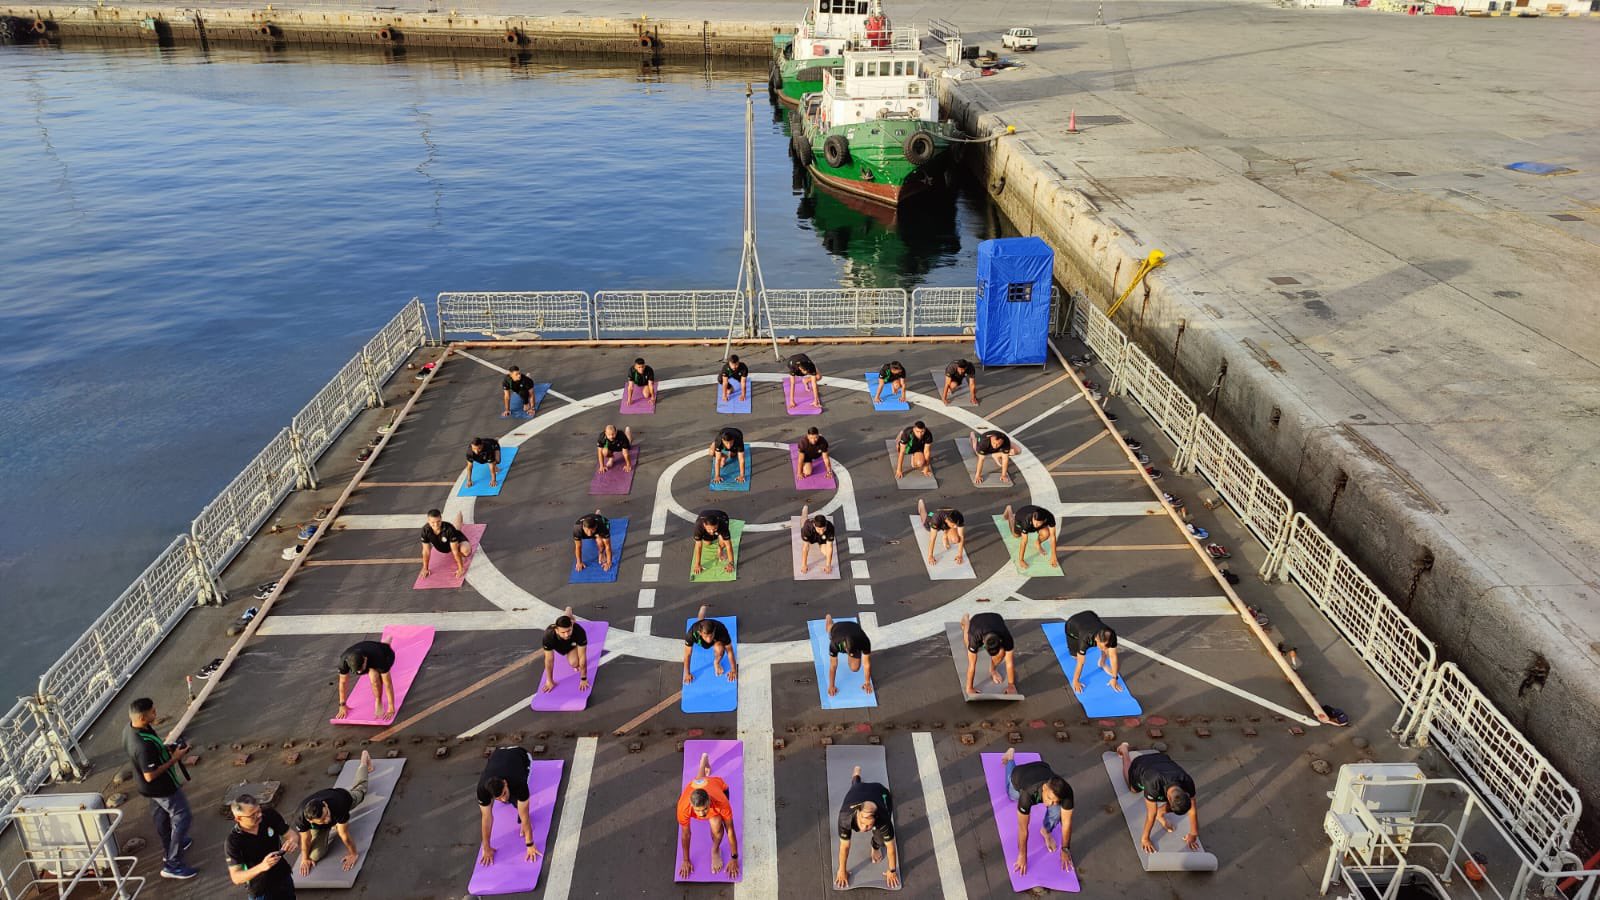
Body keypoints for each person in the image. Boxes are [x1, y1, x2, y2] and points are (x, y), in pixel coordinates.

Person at [124, 697, 197, 880]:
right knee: (182, 817)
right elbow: (150, 773)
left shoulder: (130, 729)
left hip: (149, 790)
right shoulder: (142, 745)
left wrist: (166, 749)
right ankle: (173, 863)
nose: (155, 714)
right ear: (142, 717)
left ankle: (170, 846)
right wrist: (175, 758)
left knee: (162, 819)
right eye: (152, 712)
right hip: (162, 788)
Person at [293, 751, 373, 875]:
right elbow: (305, 839)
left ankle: (364, 760)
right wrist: (305, 859)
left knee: (361, 791)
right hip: (318, 825)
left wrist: (353, 854)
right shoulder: (300, 817)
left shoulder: (339, 805)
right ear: (310, 821)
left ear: (324, 804)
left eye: (327, 814)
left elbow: (344, 835)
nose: (328, 819)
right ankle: (324, 829)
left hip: (343, 797)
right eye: (323, 819)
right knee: (314, 856)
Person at [1001, 747, 1074, 876]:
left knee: (1057, 811)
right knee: (1012, 796)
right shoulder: (1028, 794)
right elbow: (1023, 828)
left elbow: (1067, 824)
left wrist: (1065, 849)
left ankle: (1045, 831)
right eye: (1050, 799)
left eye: (1055, 800)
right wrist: (1022, 855)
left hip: (1042, 768)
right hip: (1020, 776)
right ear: (1044, 788)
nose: (1051, 803)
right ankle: (1010, 758)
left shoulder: (1066, 792)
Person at [1117, 742, 1201, 852]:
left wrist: (1193, 834)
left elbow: (1192, 810)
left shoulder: (1187, 781)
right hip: (1141, 764)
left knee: (1177, 805)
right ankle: (1124, 751)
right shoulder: (1154, 784)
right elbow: (1151, 814)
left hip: (1160, 758)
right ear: (1169, 800)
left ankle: (1161, 814)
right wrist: (1145, 839)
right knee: (1133, 789)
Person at [677, 751, 742, 880]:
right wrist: (685, 860)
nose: (702, 814)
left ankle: (715, 849)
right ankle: (704, 760)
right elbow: (686, 834)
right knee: (699, 781)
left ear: (709, 801)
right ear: (691, 805)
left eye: (705, 809)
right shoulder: (683, 807)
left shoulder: (720, 803)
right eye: (698, 811)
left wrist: (734, 858)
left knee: (716, 824)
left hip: (719, 786)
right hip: (698, 785)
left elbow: (730, 830)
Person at [476, 747, 544, 866]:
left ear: (505, 783)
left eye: (504, 793)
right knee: (507, 801)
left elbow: (525, 815)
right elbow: (486, 818)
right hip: (499, 753)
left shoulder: (518, 782)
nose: (503, 799)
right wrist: (486, 847)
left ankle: (511, 793)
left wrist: (530, 844)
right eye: (498, 798)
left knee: (518, 804)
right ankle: (503, 795)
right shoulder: (482, 789)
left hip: (521, 755)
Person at [834, 765, 899, 889]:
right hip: (858, 790)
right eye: (862, 823)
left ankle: (874, 848)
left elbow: (891, 847)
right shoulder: (845, 817)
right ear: (858, 813)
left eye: (868, 825)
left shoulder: (883, 818)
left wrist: (892, 870)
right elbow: (845, 846)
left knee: (880, 839)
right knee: (856, 785)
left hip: (879, 791)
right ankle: (856, 773)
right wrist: (842, 870)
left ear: (875, 819)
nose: (864, 828)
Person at [226, 794, 296, 899]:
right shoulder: (234, 841)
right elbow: (236, 877)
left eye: (259, 810)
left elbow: (291, 835)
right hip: (261, 890)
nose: (259, 815)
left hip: (283, 876)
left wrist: (292, 841)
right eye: (252, 815)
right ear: (238, 818)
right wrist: (262, 867)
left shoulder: (269, 815)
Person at [335, 639, 397, 721]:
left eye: (361, 669)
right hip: (367, 647)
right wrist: (342, 705)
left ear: (365, 660)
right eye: (357, 671)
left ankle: (378, 701)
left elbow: (388, 684)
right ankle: (384, 643)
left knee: (374, 677)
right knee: (373, 672)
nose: (360, 672)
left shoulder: (378, 657)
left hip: (386, 654)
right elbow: (343, 682)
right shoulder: (344, 660)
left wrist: (391, 707)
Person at [1065, 611, 1122, 695]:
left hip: (1090, 615)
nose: (1104, 649)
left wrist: (1114, 678)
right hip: (1072, 625)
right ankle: (1077, 655)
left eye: (1105, 645)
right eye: (1101, 646)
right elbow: (1080, 662)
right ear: (1096, 640)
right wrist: (1076, 681)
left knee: (1109, 650)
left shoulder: (1111, 635)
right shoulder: (1084, 639)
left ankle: (1102, 662)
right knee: (1075, 657)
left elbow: (1113, 656)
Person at [961, 612, 1017, 696]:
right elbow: (972, 665)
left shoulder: (1006, 637)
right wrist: (969, 688)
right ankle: (966, 620)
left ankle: (992, 670)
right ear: (983, 643)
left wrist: (1011, 685)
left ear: (1000, 641)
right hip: (977, 621)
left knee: (1001, 653)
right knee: (967, 643)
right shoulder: (975, 636)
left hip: (996, 619)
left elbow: (1009, 662)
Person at [541, 607, 590, 694]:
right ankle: (568, 611)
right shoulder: (548, 636)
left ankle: (569, 615)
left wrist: (584, 678)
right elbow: (549, 660)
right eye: (563, 632)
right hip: (558, 645)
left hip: (571, 645)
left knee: (575, 664)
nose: (566, 634)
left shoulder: (579, 631)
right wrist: (549, 681)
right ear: (556, 630)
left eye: (569, 631)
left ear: (572, 626)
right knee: (566, 618)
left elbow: (582, 657)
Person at [683, 606, 737, 683]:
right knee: (701, 620)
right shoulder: (691, 633)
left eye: (711, 635)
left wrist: (733, 669)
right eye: (706, 636)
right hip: (699, 630)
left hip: (716, 640)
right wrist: (687, 673)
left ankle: (716, 663)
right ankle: (703, 608)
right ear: (700, 633)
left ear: (714, 631)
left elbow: (730, 650)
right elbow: (687, 655)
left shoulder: (721, 629)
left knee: (720, 649)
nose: (709, 640)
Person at [823, 613, 873, 696]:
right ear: (845, 647)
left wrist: (867, 682)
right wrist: (831, 685)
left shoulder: (864, 641)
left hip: (854, 628)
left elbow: (866, 664)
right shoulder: (835, 642)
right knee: (829, 629)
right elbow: (833, 665)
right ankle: (828, 618)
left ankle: (853, 655)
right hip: (838, 628)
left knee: (855, 668)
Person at [419, 508, 472, 579]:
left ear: (441, 519)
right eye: (433, 522)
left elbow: (455, 550)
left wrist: (461, 568)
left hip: (457, 540)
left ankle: (460, 513)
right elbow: (426, 551)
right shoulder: (425, 530)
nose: (436, 524)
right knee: (456, 528)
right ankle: (459, 514)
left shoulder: (449, 528)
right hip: (443, 545)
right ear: (428, 521)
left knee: (466, 551)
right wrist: (425, 568)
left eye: (438, 521)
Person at [1004, 503, 1059, 570]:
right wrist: (1021, 560)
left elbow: (1053, 536)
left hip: (1034, 514)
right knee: (1016, 535)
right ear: (1033, 516)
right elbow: (1024, 542)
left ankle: (1037, 543)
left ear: (1044, 520)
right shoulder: (1026, 520)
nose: (1035, 524)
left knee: (1046, 533)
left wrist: (1053, 556)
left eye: (1038, 523)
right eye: (1034, 521)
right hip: (1020, 517)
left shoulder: (1050, 517)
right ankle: (1009, 511)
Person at [918, 499, 966, 566]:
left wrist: (960, 555)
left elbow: (961, 536)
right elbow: (932, 538)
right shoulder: (936, 518)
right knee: (927, 524)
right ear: (947, 521)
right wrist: (930, 556)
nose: (955, 527)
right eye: (953, 525)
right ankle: (922, 507)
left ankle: (945, 535)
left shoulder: (959, 517)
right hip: (934, 514)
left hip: (947, 517)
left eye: (956, 525)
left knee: (956, 539)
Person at [691, 509, 735, 575]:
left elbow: (728, 545)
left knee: (723, 543)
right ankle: (716, 534)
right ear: (704, 525)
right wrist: (697, 564)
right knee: (707, 543)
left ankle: (720, 548)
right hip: (704, 513)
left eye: (715, 528)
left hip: (722, 515)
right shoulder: (698, 527)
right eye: (709, 529)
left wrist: (731, 563)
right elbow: (698, 546)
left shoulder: (722, 524)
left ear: (717, 524)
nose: (712, 531)